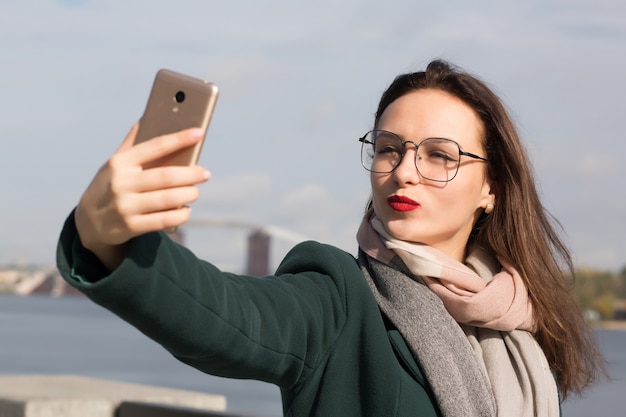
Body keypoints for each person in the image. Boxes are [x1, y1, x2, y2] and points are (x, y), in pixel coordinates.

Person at [56, 59, 605, 417]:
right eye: (390, 148)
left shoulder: (522, 336)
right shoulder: (339, 297)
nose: (405, 171)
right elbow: (227, 317)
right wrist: (105, 235)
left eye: (440, 155)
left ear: (491, 187)